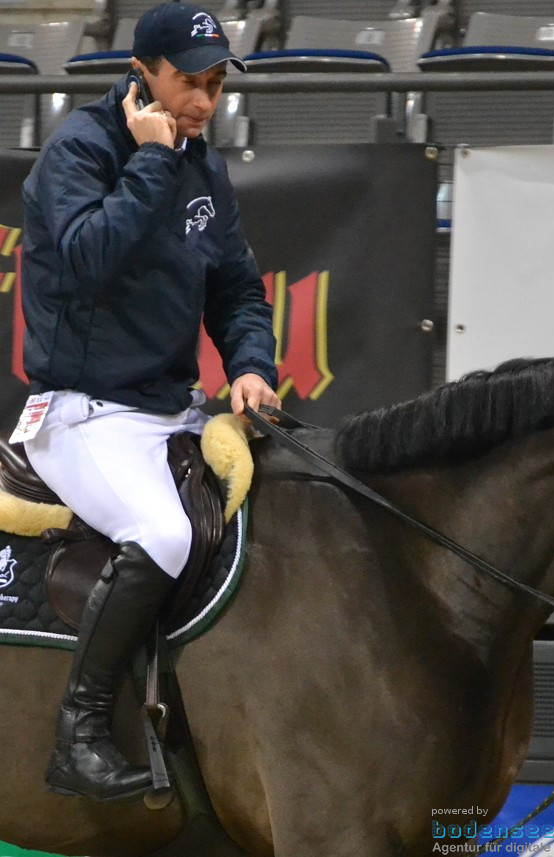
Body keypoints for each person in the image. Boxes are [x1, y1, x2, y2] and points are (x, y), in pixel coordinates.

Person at [18, 1, 280, 802]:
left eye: (214, 84)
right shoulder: (77, 153)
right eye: (187, 82)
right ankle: (80, 734)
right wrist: (153, 161)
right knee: (164, 533)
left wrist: (249, 363)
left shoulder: (205, 163)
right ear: (143, 72)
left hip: (171, 407)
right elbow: (91, 260)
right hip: (80, 411)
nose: (203, 101)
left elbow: (235, 286)